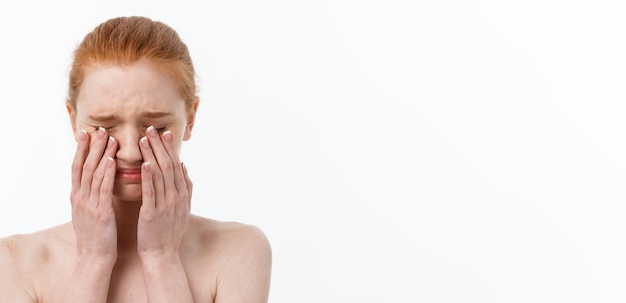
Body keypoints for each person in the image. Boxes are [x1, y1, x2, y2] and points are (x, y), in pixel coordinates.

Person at [0, 16, 272, 302]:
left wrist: (161, 258)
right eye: (104, 127)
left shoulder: (238, 253)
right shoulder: (15, 263)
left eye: (156, 127)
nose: (130, 151)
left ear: (190, 118)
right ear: (73, 120)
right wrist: (93, 259)